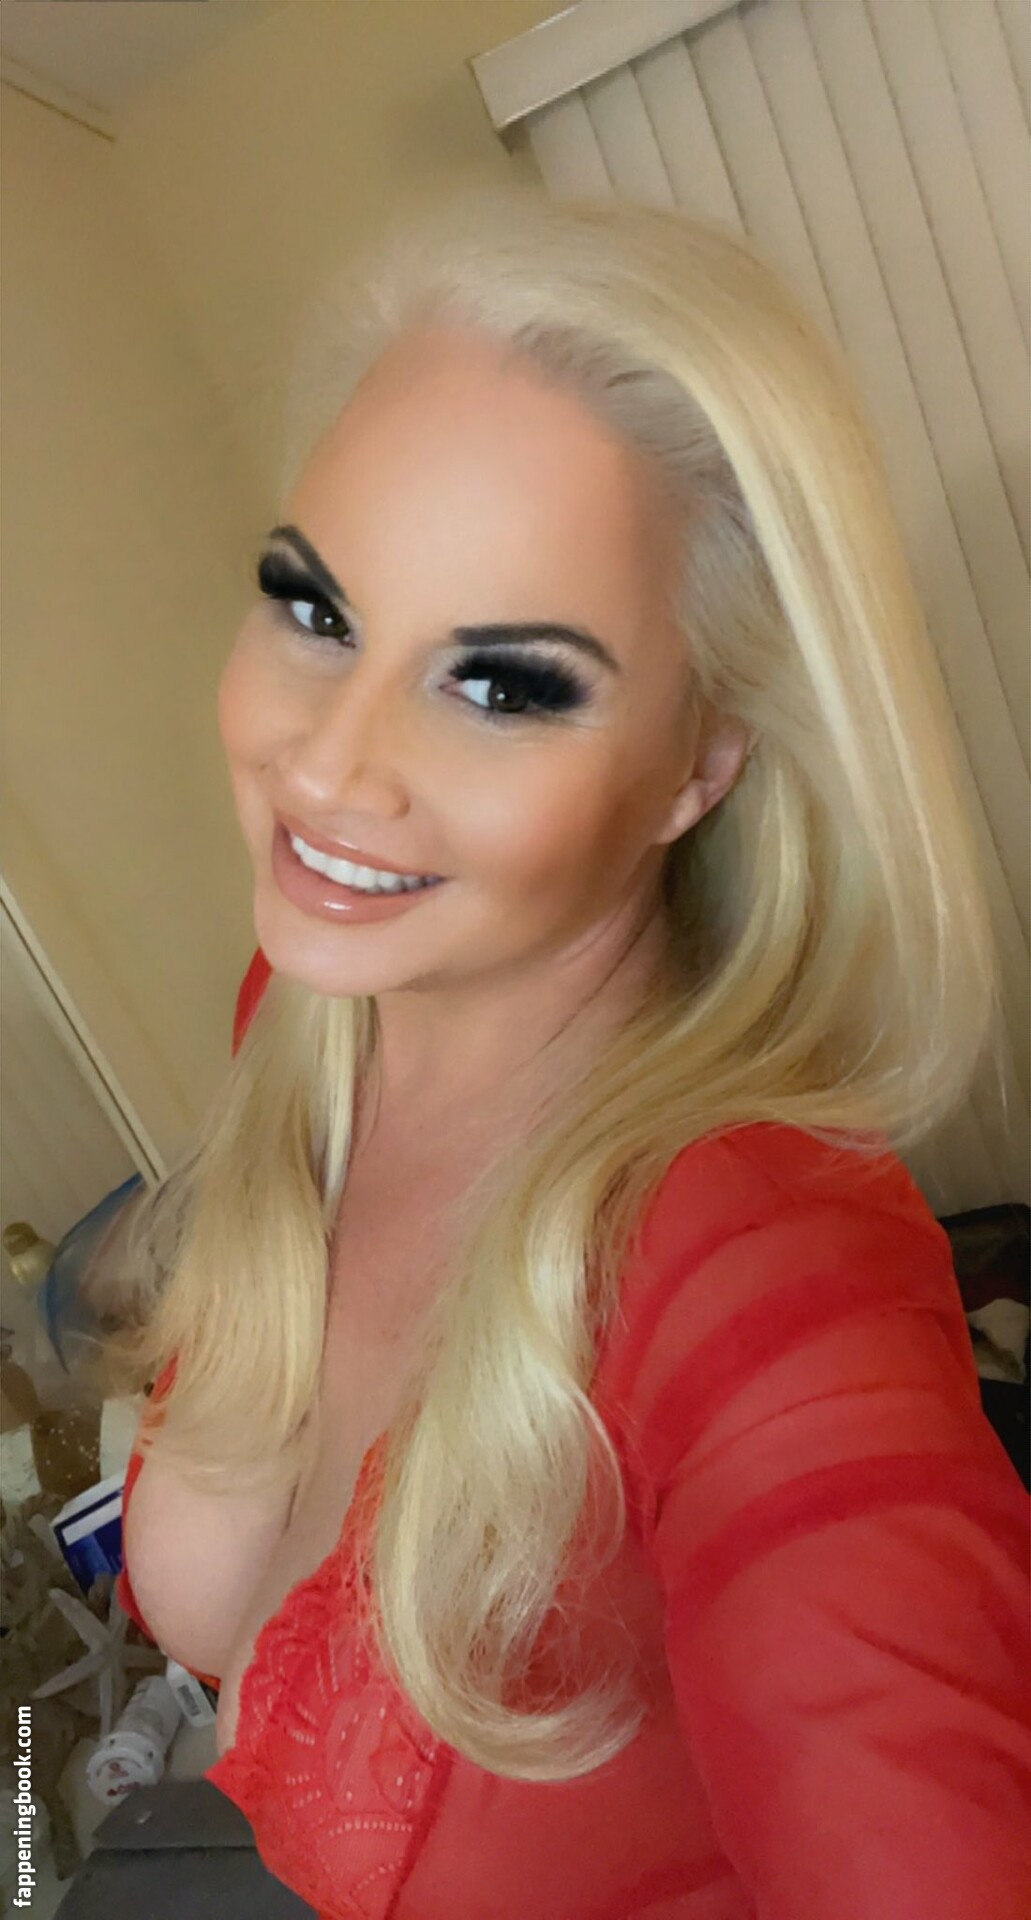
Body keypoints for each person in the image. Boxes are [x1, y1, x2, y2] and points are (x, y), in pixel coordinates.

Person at [110, 184, 1030, 1918]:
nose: (330, 769)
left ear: (702, 763)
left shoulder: (774, 1279)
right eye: (316, 609)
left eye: (504, 685)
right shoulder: (309, 1016)